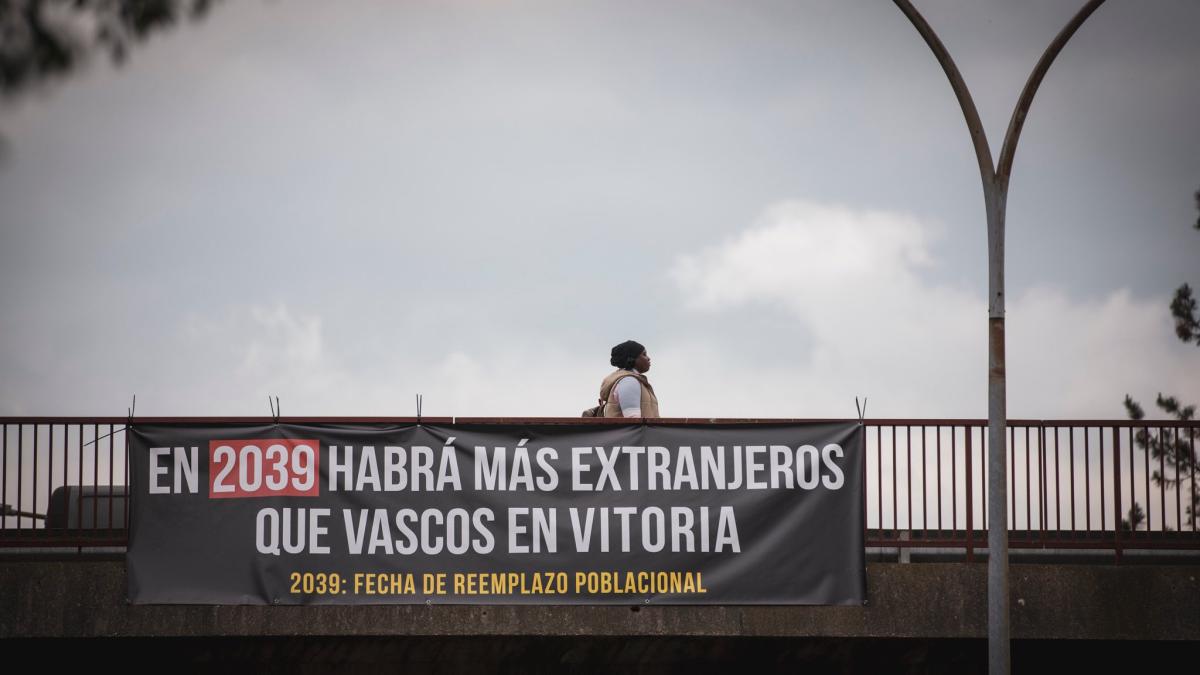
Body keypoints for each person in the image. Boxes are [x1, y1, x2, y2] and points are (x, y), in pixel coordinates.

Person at [599, 340, 660, 418]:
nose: (648, 358)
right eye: (644, 354)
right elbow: (632, 420)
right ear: (632, 358)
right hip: (637, 430)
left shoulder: (633, 380)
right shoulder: (629, 381)